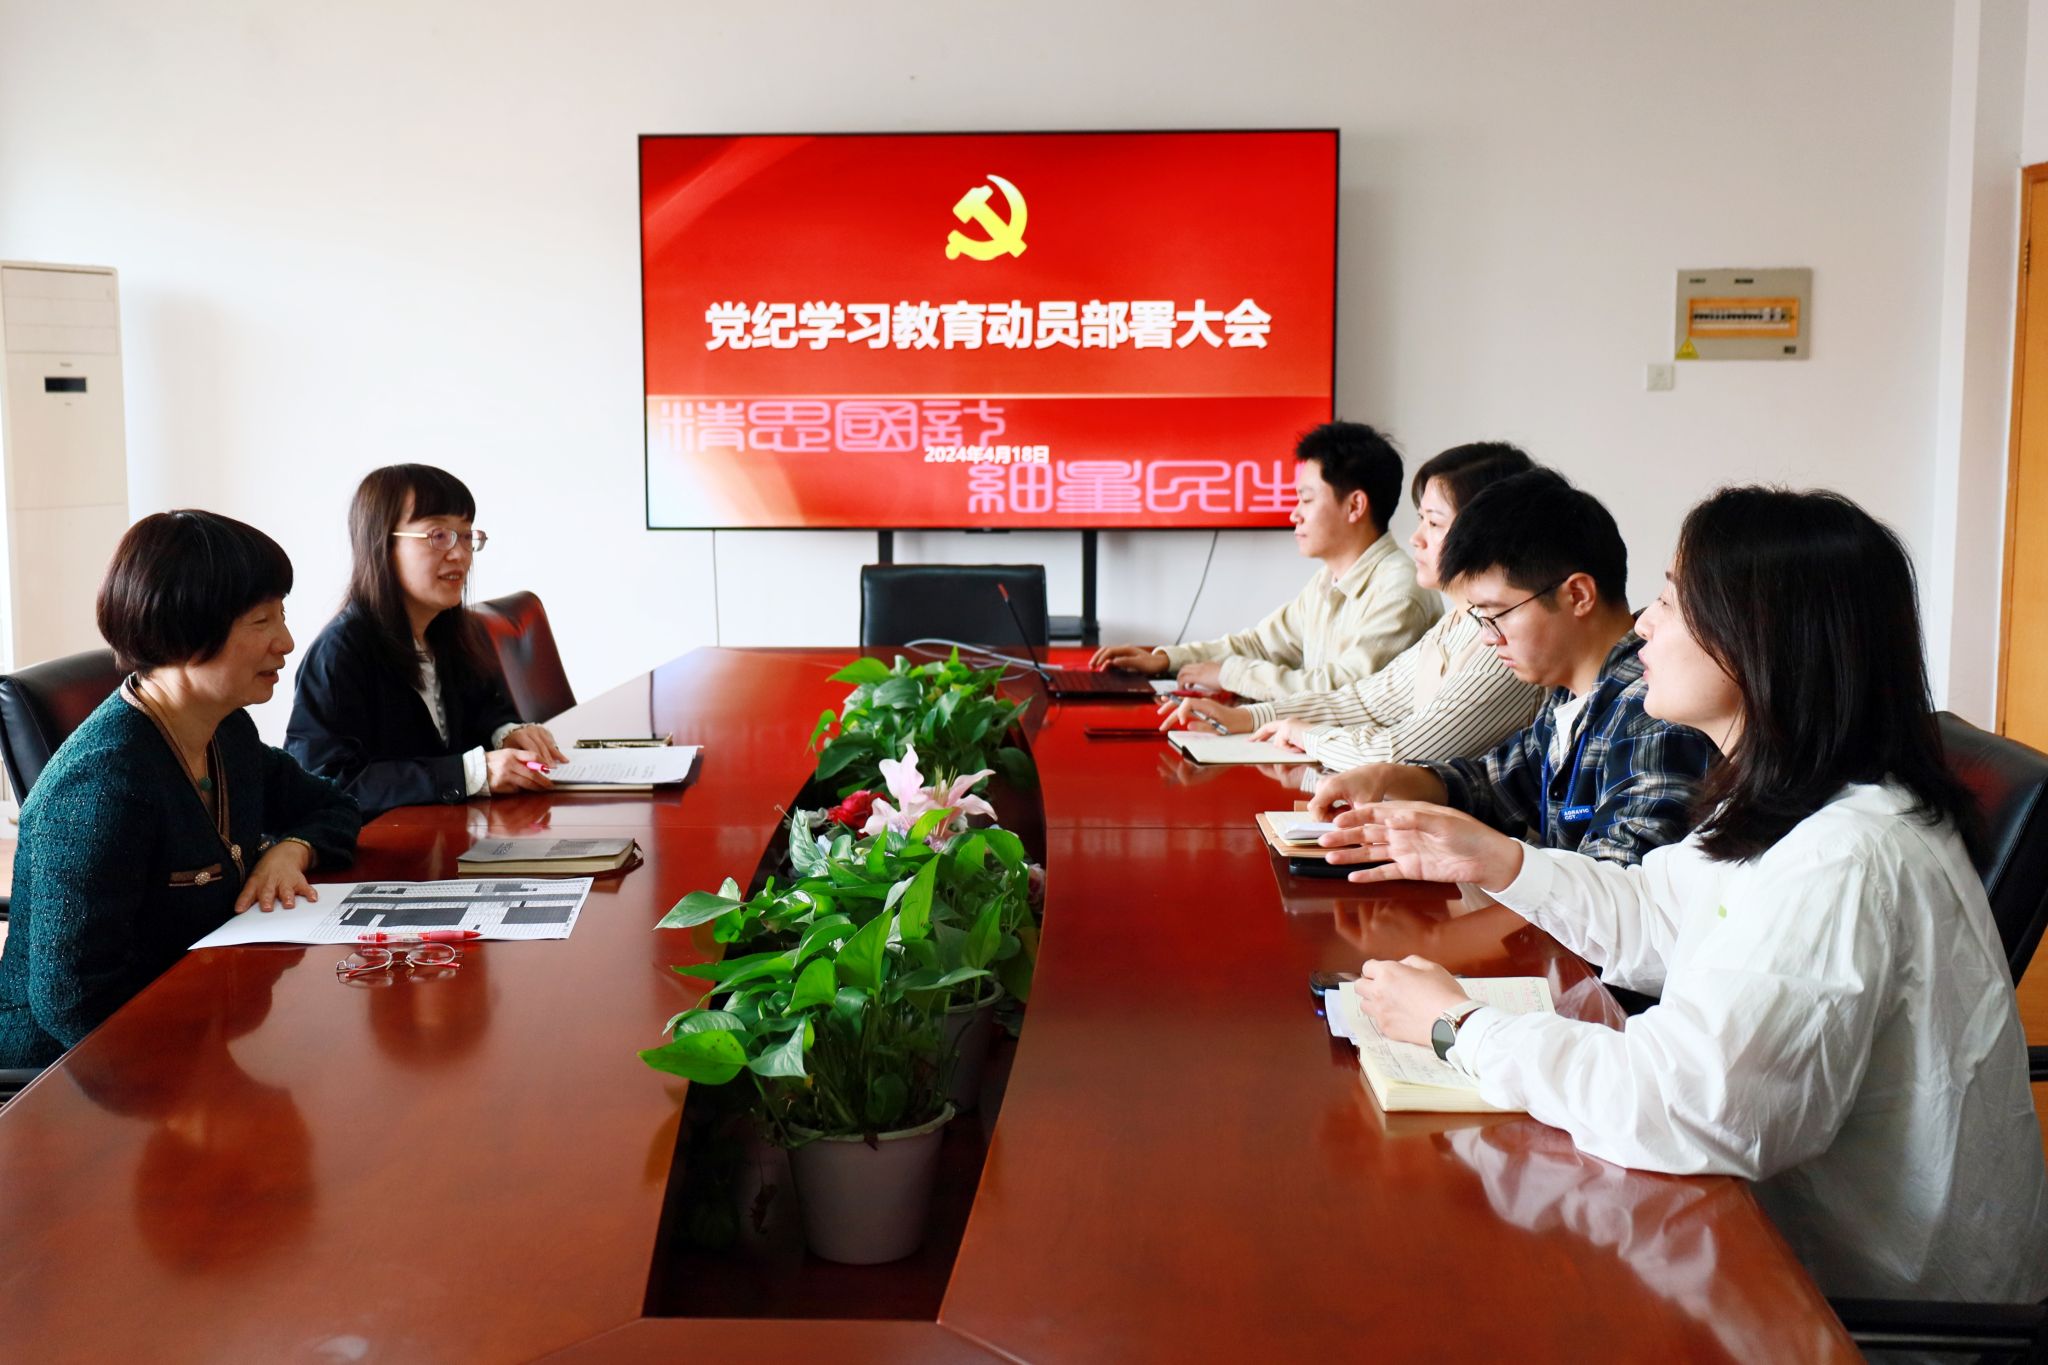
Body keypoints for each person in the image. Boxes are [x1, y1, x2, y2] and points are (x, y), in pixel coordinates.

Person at [1337, 486, 2048, 1304]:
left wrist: (1458, 1028)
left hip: (1861, 1312)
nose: (1643, 623)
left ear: (1757, 640)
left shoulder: (1846, 854)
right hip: (1767, 1242)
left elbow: (1688, 1104)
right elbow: (1657, 913)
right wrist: (1499, 861)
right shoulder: (1793, 798)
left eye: (1673, 601)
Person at [0, 511, 360, 1070]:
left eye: (282, 615)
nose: (286, 642)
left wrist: (292, 849)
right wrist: (196, 1085)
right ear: (184, 632)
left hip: (207, 1011)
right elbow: (72, 1005)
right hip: (77, 1076)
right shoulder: (105, 785)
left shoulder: (225, 730)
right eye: (261, 621)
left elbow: (335, 804)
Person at [1308, 469, 1713, 866]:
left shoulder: (1652, 710)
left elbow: (1617, 884)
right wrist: (1388, 778)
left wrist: (1497, 863)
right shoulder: (1569, 694)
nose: (1489, 638)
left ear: (1577, 595)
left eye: (1496, 614)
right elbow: (1494, 784)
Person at [1157, 441, 1545, 769]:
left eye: (1434, 523)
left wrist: (1307, 735)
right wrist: (1246, 716)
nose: (1416, 538)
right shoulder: (1457, 623)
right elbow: (1366, 701)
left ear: (1486, 532)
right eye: (1421, 520)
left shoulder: (1502, 642)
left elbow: (1401, 753)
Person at [286, 464, 566, 816]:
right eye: (438, 535)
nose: (460, 554)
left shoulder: (450, 631)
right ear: (382, 544)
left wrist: (506, 732)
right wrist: (470, 773)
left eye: (466, 535)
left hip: (449, 834)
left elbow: (484, 708)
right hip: (381, 846)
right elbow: (325, 781)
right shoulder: (341, 652)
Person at [1089, 422, 1439, 700]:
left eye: (1306, 499)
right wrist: (1164, 660)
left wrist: (1230, 675)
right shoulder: (1326, 581)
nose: (1294, 514)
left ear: (1355, 506)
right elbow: (1258, 645)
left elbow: (1344, 692)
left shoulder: (1399, 591)